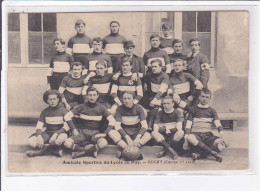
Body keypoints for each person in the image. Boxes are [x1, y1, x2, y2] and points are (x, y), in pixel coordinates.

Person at [63, 87, 116, 159]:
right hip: (81, 133)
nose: (92, 97)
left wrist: (105, 133)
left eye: (94, 95)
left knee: (104, 142)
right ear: (87, 96)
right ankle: (90, 151)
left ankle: (81, 153)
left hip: (95, 133)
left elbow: (112, 120)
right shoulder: (81, 106)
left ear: (97, 96)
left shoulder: (101, 107)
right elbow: (67, 117)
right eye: (90, 95)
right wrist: (74, 129)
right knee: (67, 143)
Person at [185, 89, 228, 162]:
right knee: (190, 138)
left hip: (208, 136)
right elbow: (188, 126)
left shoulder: (212, 111)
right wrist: (185, 140)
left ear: (210, 99)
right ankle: (212, 153)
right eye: (203, 96)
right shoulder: (193, 110)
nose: (204, 99)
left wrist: (223, 137)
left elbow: (218, 125)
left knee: (222, 146)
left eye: (207, 97)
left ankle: (199, 155)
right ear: (199, 97)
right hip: (196, 135)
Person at [26, 90, 70, 157]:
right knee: (31, 141)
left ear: (58, 99)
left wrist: (56, 134)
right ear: (47, 100)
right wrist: (39, 136)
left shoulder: (63, 110)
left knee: (62, 138)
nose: (52, 101)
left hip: (60, 133)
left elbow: (67, 127)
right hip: (48, 133)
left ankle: (42, 152)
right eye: (50, 99)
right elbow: (39, 126)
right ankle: (53, 150)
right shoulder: (45, 111)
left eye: (54, 99)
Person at [109, 91, 152, 159]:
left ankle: (126, 153)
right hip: (124, 133)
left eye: (129, 98)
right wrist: (126, 137)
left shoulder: (139, 108)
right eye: (124, 98)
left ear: (133, 99)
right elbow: (117, 126)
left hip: (136, 133)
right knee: (111, 132)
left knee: (148, 135)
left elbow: (144, 125)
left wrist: (138, 137)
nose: (126, 101)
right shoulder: (119, 108)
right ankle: (128, 149)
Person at [142, 59, 169, 129]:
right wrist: (135, 74)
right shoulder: (151, 75)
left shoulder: (164, 76)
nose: (153, 68)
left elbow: (162, 89)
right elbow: (142, 75)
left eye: (155, 66)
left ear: (160, 67)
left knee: (156, 105)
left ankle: (150, 126)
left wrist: (155, 99)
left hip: (163, 98)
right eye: (152, 67)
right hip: (152, 98)